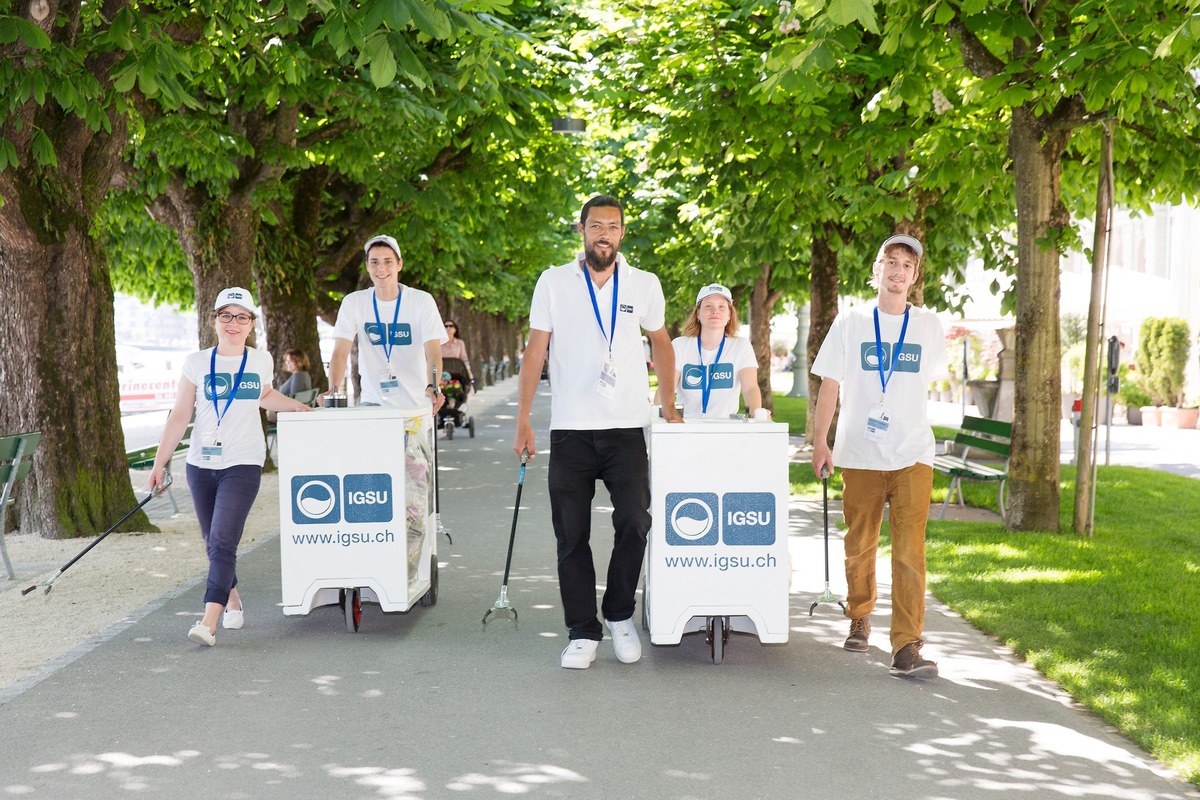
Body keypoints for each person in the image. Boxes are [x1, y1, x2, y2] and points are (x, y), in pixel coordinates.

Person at [513, 194, 681, 670]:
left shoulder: (644, 284)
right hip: (570, 429)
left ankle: (619, 614)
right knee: (571, 534)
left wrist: (667, 404)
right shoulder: (553, 282)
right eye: (595, 225)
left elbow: (662, 345)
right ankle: (582, 630)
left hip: (627, 428)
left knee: (635, 522)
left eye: (613, 226)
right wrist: (524, 417)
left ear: (622, 233)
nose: (604, 233)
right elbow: (535, 352)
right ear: (581, 230)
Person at [809, 234, 948, 679]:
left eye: (907, 265)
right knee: (860, 544)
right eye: (891, 261)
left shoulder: (928, 326)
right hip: (860, 453)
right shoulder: (850, 323)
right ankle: (860, 614)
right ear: (877, 269)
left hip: (912, 454)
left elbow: (927, 385)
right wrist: (820, 441)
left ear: (914, 276)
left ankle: (907, 645)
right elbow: (829, 384)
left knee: (910, 553)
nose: (898, 270)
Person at [148, 287, 315, 647]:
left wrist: (297, 408)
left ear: (252, 323)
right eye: (226, 315)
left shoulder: (261, 360)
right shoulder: (196, 362)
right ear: (214, 321)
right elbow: (179, 415)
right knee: (213, 542)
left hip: (243, 461)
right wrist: (161, 463)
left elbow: (265, 395)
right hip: (200, 464)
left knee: (224, 540)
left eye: (242, 317)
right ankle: (232, 599)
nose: (234, 323)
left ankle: (209, 621)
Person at [325, 234, 446, 413]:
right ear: (367, 266)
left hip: (417, 402)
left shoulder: (421, 301)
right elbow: (340, 352)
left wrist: (433, 386)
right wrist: (333, 390)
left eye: (388, 261)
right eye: (374, 262)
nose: (381, 268)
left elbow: (433, 352)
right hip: (373, 402)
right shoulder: (354, 302)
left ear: (399, 264)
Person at [670, 283, 763, 419]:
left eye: (721, 307)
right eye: (708, 306)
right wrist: (658, 419)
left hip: (725, 430)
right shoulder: (679, 345)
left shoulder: (741, 346)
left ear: (730, 315)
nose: (715, 311)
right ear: (698, 313)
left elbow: (750, 389)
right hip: (686, 427)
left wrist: (757, 415)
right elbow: (666, 389)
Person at [440, 319, 475, 388]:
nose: (448, 328)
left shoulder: (460, 343)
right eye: (446, 326)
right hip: (442, 370)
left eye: (451, 326)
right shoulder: (438, 342)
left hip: (457, 370)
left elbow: (464, 358)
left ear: (455, 329)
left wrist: (468, 371)